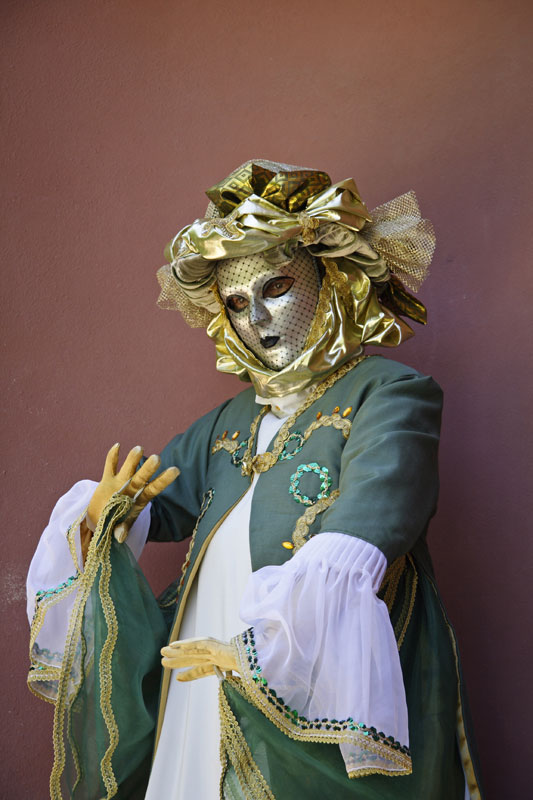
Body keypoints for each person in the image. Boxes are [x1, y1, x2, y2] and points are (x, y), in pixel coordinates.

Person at [27, 160, 484, 799]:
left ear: (330, 281)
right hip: (205, 657)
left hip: (313, 664)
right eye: (238, 303)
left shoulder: (388, 392)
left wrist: (269, 653)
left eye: (277, 287)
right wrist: (107, 512)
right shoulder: (230, 419)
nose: (258, 319)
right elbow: (162, 500)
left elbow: (377, 511)